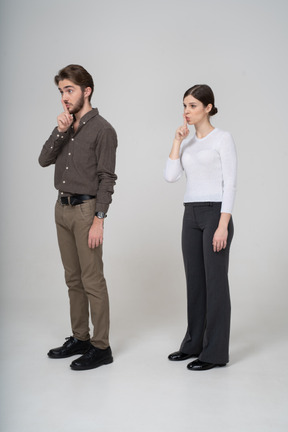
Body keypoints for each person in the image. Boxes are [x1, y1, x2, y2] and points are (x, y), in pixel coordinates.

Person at [39, 64, 117, 371]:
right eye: (61, 92)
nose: (64, 97)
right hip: (61, 209)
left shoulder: (103, 130)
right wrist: (60, 131)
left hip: (86, 212)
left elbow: (107, 178)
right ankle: (80, 338)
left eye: (69, 90)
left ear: (87, 91)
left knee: (92, 280)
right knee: (73, 280)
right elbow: (44, 159)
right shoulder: (65, 126)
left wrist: (99, 219)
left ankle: (101, 347)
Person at [164, 84, 237, 371]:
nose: (187, 112)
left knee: (215, 285)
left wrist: (223, 225)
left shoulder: (223, 139)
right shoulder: (188, 142)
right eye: (184, 106)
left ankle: (215, 352)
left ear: (208, 107)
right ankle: (193, 344)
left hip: (215, 214)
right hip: (190, 215)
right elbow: (170, 177)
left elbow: (229, 183)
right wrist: (176, 141)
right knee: (195, 283)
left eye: (193, 105)